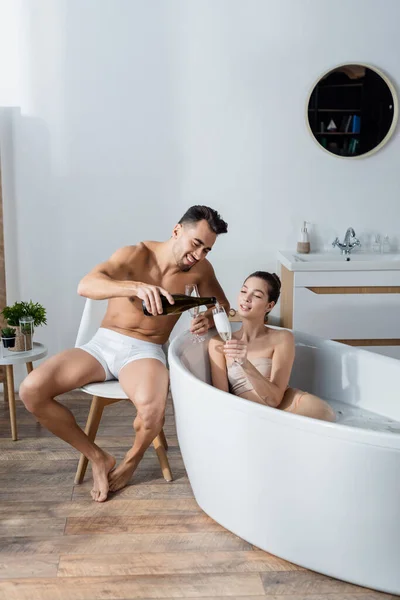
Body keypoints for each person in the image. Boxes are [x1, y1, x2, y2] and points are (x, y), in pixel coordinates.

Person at [20, 205, 229, 502]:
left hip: (145, 351)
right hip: (103, 344)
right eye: (196, 244)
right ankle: (98, 458)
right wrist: (135, 287)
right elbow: (86, 285)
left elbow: (222, 306)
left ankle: (130, 462)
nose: (199, 255)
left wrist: (211, 317)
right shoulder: (134, 255)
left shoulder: (201, 270)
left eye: (207, 250)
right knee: (31, 391)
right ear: (176, 231)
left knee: (153, 411)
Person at [208, 271, 335, 422]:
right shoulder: (219, 343)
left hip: (293, 408)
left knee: (324, 414)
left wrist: (245, 364)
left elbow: (275, 400)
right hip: (254, 417)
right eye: (243, 291)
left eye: (257, 295)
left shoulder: (282, 338)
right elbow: (222, 401)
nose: (246, 298)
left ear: (269, 305)